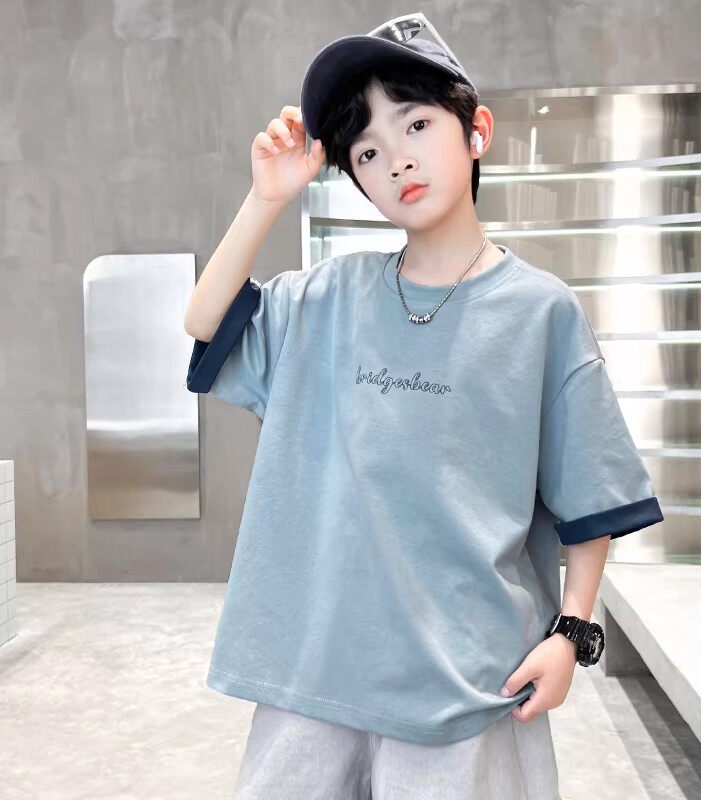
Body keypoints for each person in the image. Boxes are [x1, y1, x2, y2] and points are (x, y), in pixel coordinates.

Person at [183, 12, 664, 800]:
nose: (397, 159)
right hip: (315, 672)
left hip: (468, 684)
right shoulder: (326, 299)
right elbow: (205, 324)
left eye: (416, 124)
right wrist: (266, 199)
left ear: (477, 131)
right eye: (367, 152)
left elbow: (591, 497)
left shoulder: (540, 313)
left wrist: (572, 634)